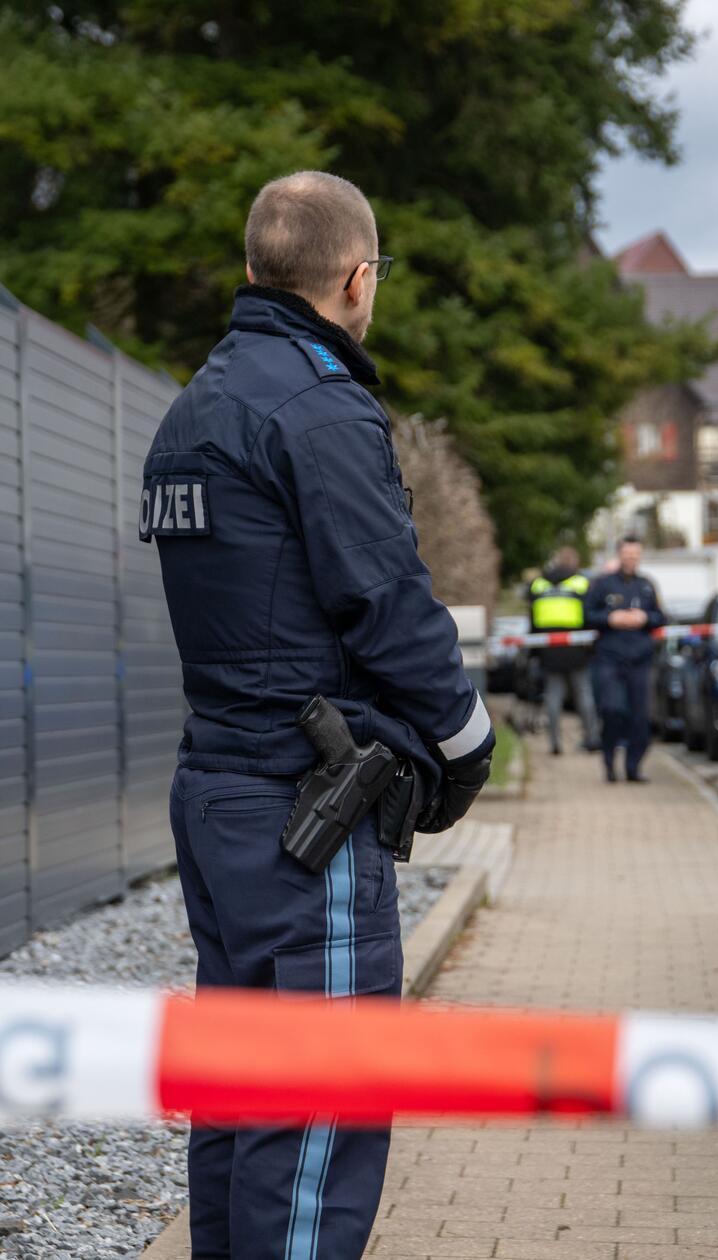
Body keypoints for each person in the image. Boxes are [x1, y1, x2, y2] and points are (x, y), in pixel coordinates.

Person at [140, 171, 493, 1260]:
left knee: (243, 1106)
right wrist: (465, 742)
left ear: (253, 271)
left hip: (218, 801)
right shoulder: (318, 404)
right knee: (318, 1127)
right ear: (357, 278)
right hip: (313, 813)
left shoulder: (192, 410)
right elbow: (384, 602)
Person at [585, 537, 663, 783]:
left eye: (635, 555)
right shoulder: (603, 584)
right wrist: (611, 618)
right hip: (610, 659)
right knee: (612, 711)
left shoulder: (646, 585)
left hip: (640, 660)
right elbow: (586, 615)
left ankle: (633, 767)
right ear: (620, 555)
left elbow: (661, 617)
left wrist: (645, 618)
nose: (631, 559)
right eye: (627, 554)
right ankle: (609, 762)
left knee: (640, 718)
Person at [527, 546, 598, 754]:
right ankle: (592, 737)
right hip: (577, 646)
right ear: (575, 562)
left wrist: (534, 649)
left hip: (548, 647)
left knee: (553, 696)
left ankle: (555, 742)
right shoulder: (581, 582)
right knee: (584, 694)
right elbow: (590, 616)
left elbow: (532, 619)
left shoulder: (538, 584)